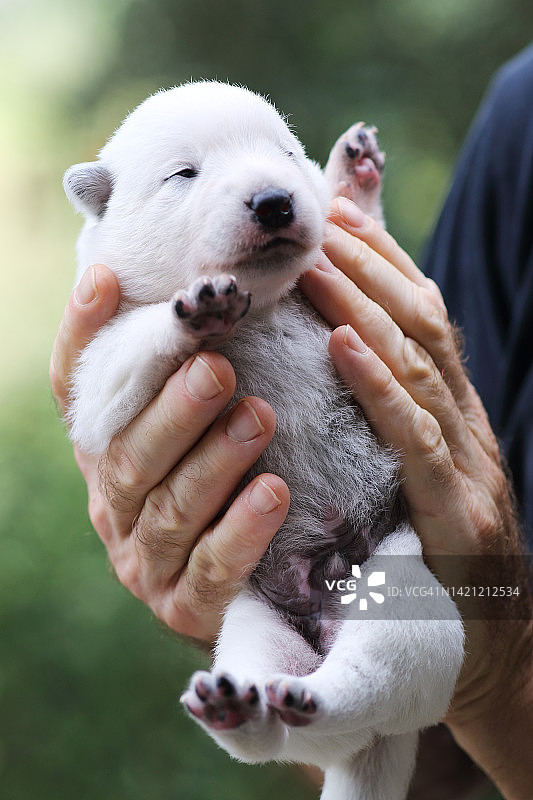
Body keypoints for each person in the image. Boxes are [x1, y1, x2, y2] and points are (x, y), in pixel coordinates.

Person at [50, 48, 533, 799]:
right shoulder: (519, 121)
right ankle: (257, 710)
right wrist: (170, 331)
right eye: (185, 176)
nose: (267, 187)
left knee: (403, 595)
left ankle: (330, 695)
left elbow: (347, 290)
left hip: (384, 561)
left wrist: (351, 213)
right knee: (247, 636)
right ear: (102, 206)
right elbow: (98, 413)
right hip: (275, 595)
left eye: (282, 153)